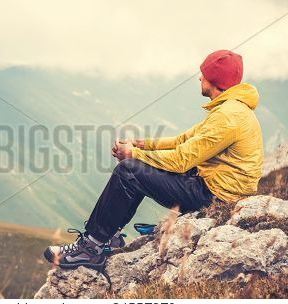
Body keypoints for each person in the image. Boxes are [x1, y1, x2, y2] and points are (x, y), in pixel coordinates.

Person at [43, 50, 263, 269]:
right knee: (140, 167)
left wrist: (133, 155)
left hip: (215, 196)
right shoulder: (231, 109)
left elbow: (181, 160)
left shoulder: (227, 116)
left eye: (204, 74)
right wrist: (142, 145)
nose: (200, 78)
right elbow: (183, 140)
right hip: (214, 185)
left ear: (215, 80)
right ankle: (107, 237)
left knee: (129, 171)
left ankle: (91, 247)